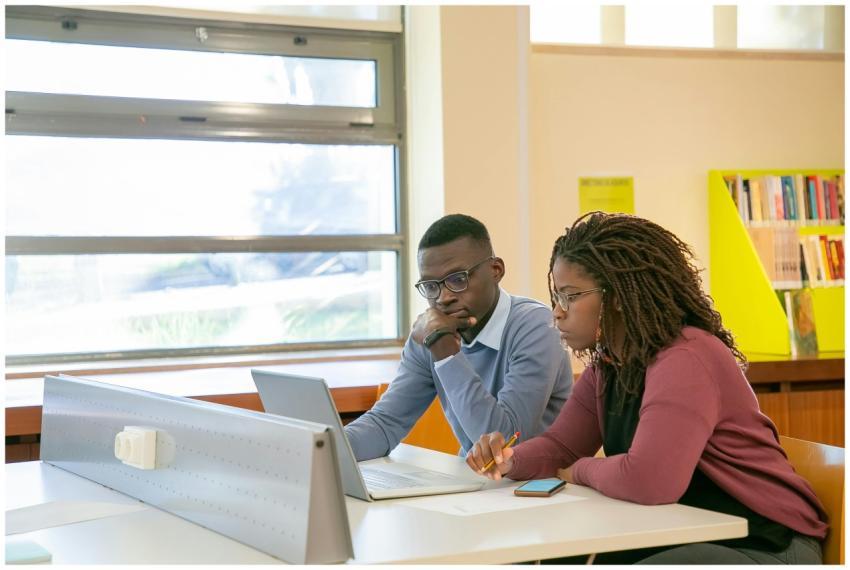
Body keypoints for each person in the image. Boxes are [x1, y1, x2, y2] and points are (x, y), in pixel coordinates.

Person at [467, 211, 828, 564]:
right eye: (557, 297)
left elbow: (649, 480)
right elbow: (561, 446)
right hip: (684, 529)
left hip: (766, 545)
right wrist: (509, 460)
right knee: (555, 557)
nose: (557, 312)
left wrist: (578, 471)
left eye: (571, 296)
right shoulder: (611, 363)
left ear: (619, 296)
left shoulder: (686, 357)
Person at [345, 213, 573, 461]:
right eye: (431, 286)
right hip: (476, 487)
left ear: (496, 270)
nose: (443, 298)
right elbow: (385, 424)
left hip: (539, 488)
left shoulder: (536, 326)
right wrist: (323, 449)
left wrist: (446, 354)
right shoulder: (431, 333)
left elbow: (504, 445)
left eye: (457, 279)